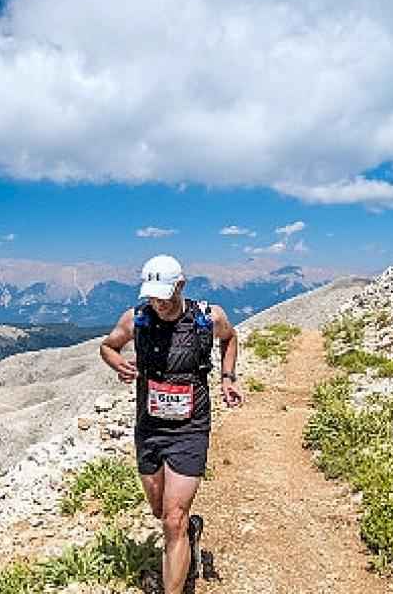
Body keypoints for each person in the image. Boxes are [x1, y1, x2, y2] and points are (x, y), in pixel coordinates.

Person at [98, 254, 241, 594]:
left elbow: (230, 338)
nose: (158, 303)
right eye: (152, 295)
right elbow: (107, 346)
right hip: (149, 428)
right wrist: (118, 363)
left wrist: (228, 377)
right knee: (159, 509)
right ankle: (188, 536)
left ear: (181, 285)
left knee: (172, 519)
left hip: (191, 428)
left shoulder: (208, 317)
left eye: (164, 294)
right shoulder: (137, 320)